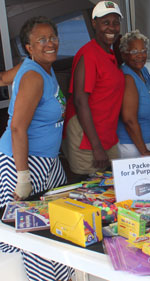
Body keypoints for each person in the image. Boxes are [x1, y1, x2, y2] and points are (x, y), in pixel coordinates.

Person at [0, 16, 74, 281]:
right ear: (29, 47)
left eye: (52, 37)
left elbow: (2, 78)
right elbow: (18, 127)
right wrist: (22, 178)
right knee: (30, 233)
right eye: (41, 40)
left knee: (58, 219)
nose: (50, 43)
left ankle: (60, 273)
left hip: (47, 161)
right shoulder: (33, 75)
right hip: (24, 162)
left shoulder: (39, 67)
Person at [63, 1, 124, 175]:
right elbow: (80, 101)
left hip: (106, 135)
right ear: (94, 23)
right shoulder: (88, 54)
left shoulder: (109, 53)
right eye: (105, 22)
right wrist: (96, 147)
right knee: (88, 192)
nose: (111, 28)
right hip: (87, 138)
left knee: (110, 190)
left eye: (116, 22)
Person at [117, 30, 150, 158]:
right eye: (134, 52)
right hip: (133, 147)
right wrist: (144, 151)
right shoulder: (128, 78)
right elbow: (129, 119)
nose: (140, 55)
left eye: (143, 51)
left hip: (147, 142)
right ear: (124, 55)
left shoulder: (143, 71)